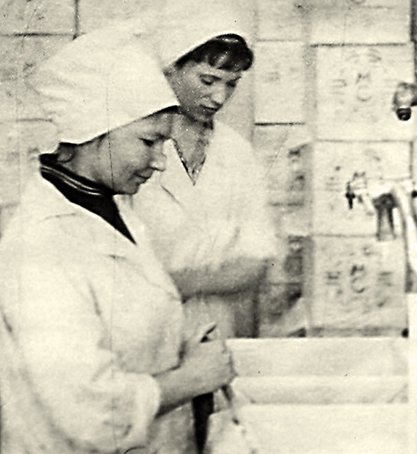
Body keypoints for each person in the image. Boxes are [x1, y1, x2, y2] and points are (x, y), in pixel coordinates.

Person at [0, 34, 234, 453]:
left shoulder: (111, 207)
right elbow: (87, 412)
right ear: (94, 134)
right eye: (148, 142)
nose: (160, 161)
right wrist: (192, 379)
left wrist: (176, 342)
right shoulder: (43, 245)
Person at [126, 3, 278, 450]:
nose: (219, 97)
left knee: (209, 438)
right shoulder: (133, 145)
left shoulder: (237, 154)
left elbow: (257, 261)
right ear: (170, 69)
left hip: (214, 331)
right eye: (207, 80)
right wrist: (205, 276)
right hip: (139, 334)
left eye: (231, 84)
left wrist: (176, 282)